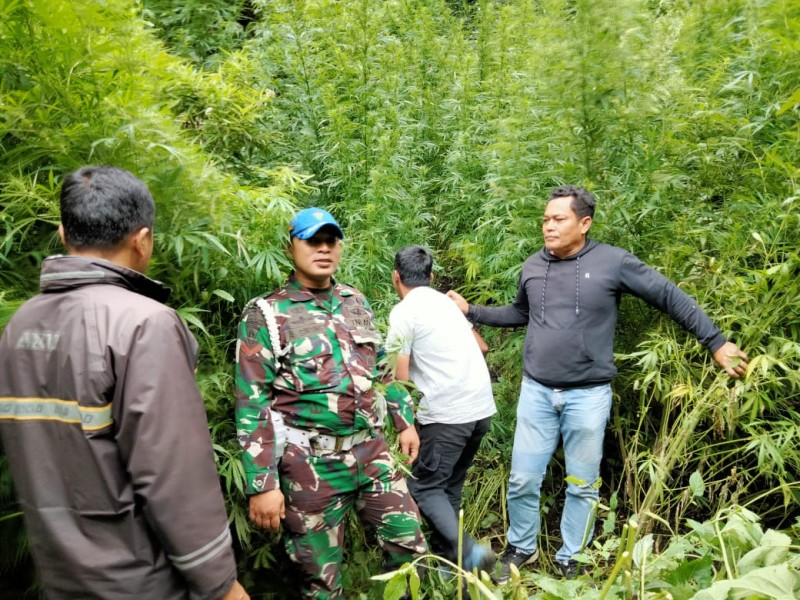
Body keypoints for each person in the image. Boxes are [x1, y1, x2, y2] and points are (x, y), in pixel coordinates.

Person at [447, 185, 748, 582]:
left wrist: (716, 341)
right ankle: (522, 548)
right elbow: (521, 313)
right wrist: (472, 311)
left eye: (559, 219)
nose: (548, 227)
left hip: (588, 395)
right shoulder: (533, 266)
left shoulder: (613, 263)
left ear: (584, 223)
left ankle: (573, 556)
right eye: (545, 219)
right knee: (522, 478)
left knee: (582, 484)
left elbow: (668, 296)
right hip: (536, 391)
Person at [0, 166, 248, 600]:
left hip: (60, 575)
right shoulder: (143, 324)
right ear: (143, 239)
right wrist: (220, 583)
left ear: (63, 233)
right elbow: (173, 473)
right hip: (142, 580)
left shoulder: (21, 324)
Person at [235, 207, 427, 599]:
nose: (323, 249)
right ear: (290, 247)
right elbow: (253, 400)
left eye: (330, 241)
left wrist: (404, 420)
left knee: (411, 550)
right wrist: (262, 483)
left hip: (372, 454)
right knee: (320, 582)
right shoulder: (267, 313)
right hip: (310, 465)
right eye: (312, 241)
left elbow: (380, 369)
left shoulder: (354, 300)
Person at [386, 245, 497, 575]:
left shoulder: (404, 313)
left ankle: (474, 555)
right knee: (448, 487)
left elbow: (398, 378)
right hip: (480, 411)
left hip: (447, 416)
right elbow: (482, 346)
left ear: (396, 277)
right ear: (431, 277)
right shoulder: (447, 305)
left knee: (424, 486)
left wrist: (404, 424)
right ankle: (454, 569)